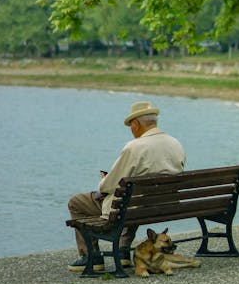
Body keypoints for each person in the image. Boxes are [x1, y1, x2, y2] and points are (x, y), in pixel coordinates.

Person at [67, 100, 186, 272]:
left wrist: (105, 178)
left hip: (133, 206)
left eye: (131, 125)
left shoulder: (135, 147)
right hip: (163, 205)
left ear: (136, 124)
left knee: (77, 202)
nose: (131, 130)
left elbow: (107, 186)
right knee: (133, 199)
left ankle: (91, 257)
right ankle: (123, 251)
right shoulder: (175, 143)